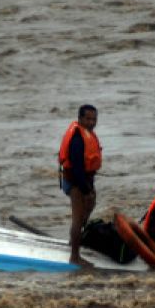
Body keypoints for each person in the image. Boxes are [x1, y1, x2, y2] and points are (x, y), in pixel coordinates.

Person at [59, 104, 101, 266]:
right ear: (80, 119)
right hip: (75, 182)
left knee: (89, 207)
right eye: (88, 119)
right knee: (78, 218)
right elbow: (76, 168)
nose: (91, 122)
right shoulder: (77, 138)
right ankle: (74, 257)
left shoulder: (88, 134)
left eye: (94, 119)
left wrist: (90, 190)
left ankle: (74, 241)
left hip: (85, 180)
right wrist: (85, 190)